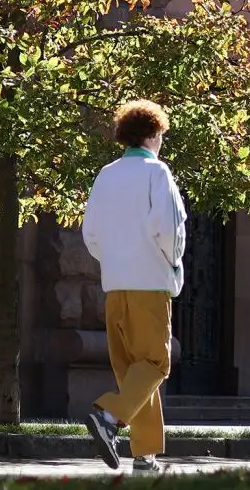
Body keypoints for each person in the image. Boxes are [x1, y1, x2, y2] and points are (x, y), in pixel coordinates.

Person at [81, 100, 187, 474]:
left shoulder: (105, 175)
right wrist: (172, 264)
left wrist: (114, 260)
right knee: (156, 363)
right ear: (153, 134)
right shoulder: (157, 173)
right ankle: (108, 416)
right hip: (149, 283)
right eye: (162, 135)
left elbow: (90, 234)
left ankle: (145, 456)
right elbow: (169, 230)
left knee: (133, 372)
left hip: (115, 284)